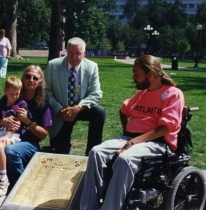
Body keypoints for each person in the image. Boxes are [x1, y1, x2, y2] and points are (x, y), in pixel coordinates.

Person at [79, 55, 185, 210]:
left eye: (137, 74)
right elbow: (123, 111)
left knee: (125, 159)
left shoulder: (173, 94)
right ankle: (87, 207)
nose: (133, 78)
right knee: (96, 152)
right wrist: (127, 132)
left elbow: (165, 128)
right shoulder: (141, 94)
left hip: (158, 142)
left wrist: (134, 142)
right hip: (131, 137)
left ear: (150, 75)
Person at [0, 65, 52, 195]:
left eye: (35, 78)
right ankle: (3, 180)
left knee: (10, 151)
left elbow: (43, 135)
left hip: (29, 143)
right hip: (7, 136)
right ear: (23, 78)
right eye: (28, 76)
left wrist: (28, 121)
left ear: (40, 82)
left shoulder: (42, 104)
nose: (31, 80)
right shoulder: (11, 95)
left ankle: (19, 186)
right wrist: (2, 121)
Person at [44, 37, 105, 155]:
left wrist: (78, 108)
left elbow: (96, 93)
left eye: (78, 53)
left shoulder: (92, 67)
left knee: (99, 112)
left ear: (84, 53)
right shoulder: (53, 65)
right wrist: (59, 110)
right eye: (71, 53)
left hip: (81, 108)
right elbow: (46, 91)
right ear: (66, 52)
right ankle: (59, 144)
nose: (74, 57)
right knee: (61, 152)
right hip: (61, 110)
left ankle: (92, 153)